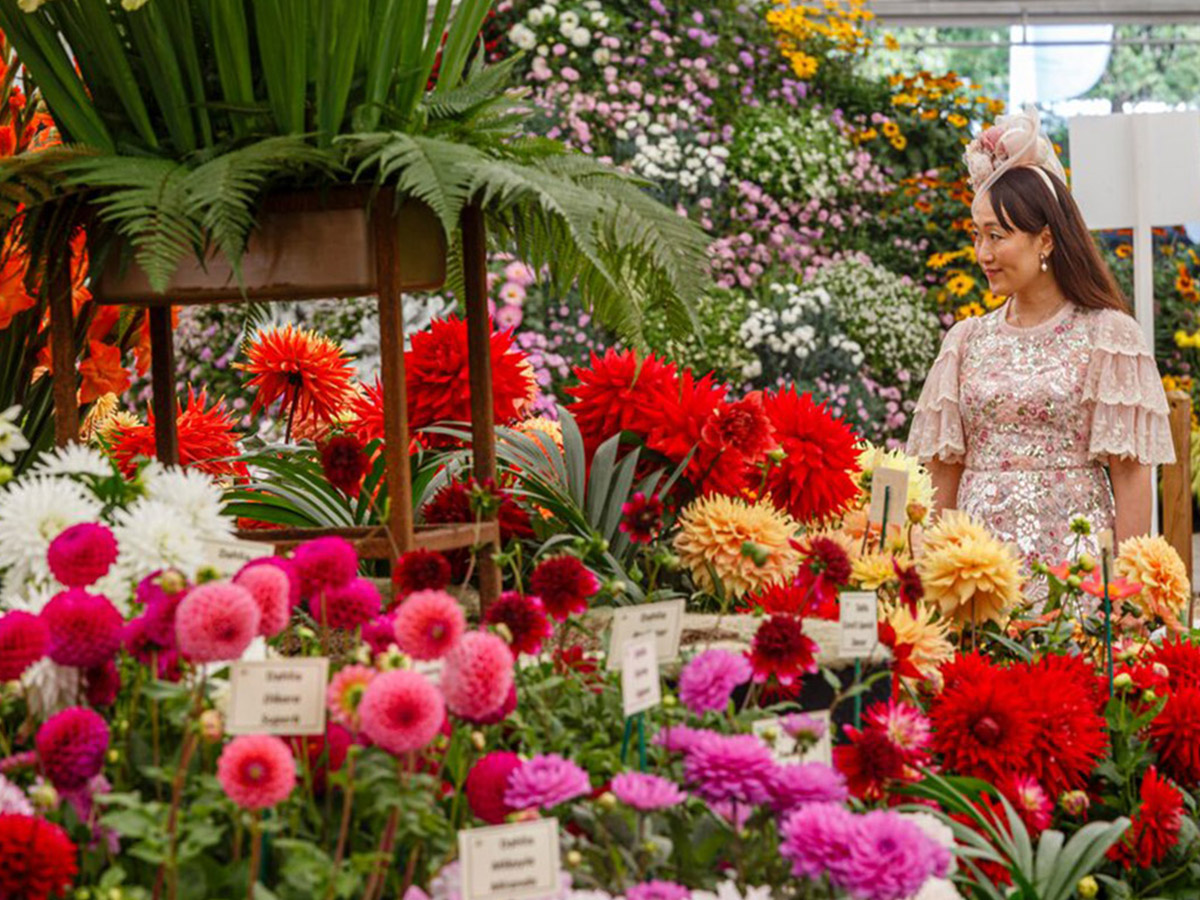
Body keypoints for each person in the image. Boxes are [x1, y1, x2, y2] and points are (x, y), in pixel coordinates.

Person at [906, 107, 1175, 570]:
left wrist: (1129, 592)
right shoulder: (965, 341)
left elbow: (1131, 478)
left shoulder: (1110, 336)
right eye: (978, 235)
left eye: (997, 236)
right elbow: (941, 477)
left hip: (1077, 576)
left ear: (1045, 240)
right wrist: (928, 579)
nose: (982, 254)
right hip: (976, 577)